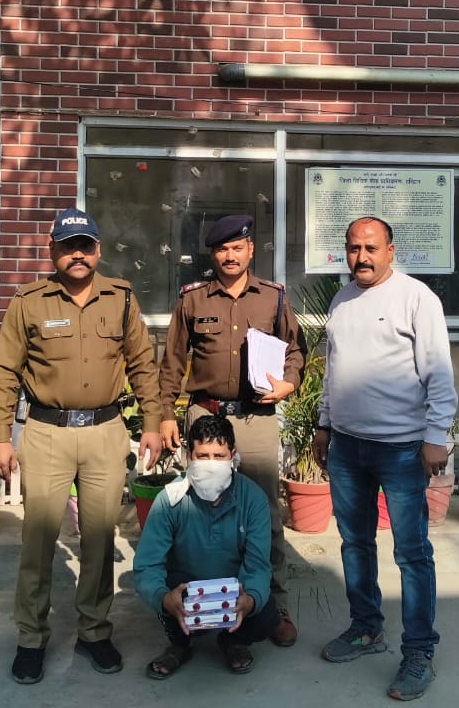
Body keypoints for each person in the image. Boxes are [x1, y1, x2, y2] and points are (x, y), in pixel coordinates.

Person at [0, 206, 163, 685]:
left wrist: (152, 421)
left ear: (98, 250)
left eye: (85, 246)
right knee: (39, 540)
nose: (77, 255)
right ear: (54, 251)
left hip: (106, 432)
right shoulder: (29, 301)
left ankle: (94, 630)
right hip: (47, 433)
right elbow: (4, 372)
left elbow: (143, 364)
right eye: (68, 247)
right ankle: (31, 638)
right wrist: (0, 437)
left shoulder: (120, 298)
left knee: (100, 539)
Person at [314, 216, 457, 703]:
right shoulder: (341, 300)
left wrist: (435, 436)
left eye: (371, 248)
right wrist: (324, 425)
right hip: (347, 447)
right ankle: (366, 628)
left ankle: (419, 651)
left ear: (391, 251)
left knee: (411, 553)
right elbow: (334, 372)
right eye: (354, 248)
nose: (362, 257)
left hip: (401, 448)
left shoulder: (417, 299)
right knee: (355, 543)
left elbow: (439, 373)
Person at [158, 213, 305, 646]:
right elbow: (172, 361)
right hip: (205, 418)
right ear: (213, 254)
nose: (229, 256)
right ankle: (204, 599)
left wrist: (289, 383)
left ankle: (271, 602)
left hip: (255, 418)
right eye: (222, 249)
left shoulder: (273, 298)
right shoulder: (193, 300)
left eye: (237, 247)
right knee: (200, 513)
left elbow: (295, 350)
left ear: (250, 250)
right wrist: (165, 414)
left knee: (265, 514)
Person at [135, 414, 280, 679]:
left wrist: (250, 600)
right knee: (166, 588)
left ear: (233, 455)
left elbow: (258, 565)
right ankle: (180, 645)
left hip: (234, 589)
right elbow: (147, 565)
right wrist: (164, 598)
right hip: (185, 589)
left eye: (219, 456)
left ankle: (232, 640)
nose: (211, 464)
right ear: (189, 456)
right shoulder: (170, 500)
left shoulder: (253, 499)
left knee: (266, 613)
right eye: (202, 456)